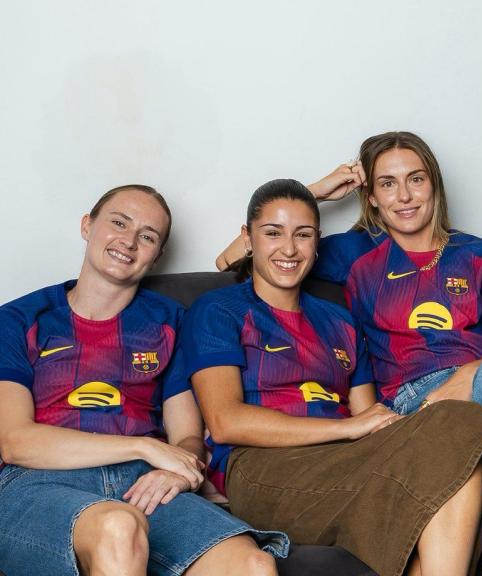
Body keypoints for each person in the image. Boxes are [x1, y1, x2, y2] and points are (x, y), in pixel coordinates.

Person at [216, 132, 482, 576]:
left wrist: (464, 379)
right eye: (387, 184)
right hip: (408, 404)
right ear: (370, 195)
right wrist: (317, 192)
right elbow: (236, 256)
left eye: (416, 180)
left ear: (435, 185)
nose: (404, 196)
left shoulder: (481, 255)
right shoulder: (354, 252)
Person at [185, 179, 482, 576]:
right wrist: (349, 429)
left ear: (317, 243)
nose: (288, 249)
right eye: (273, 233)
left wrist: (392, 429)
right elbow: (226, 421)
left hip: (345, 459)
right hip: (262, 466)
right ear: (248, 238)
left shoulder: (339, 320)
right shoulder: (219, 310)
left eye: (302, 235)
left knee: (461, 423)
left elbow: (368, 418)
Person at [0, 185, 287, 576]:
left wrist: (176, 468)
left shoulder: (170, 321)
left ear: (157, 255)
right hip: (39, 483)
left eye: (148, 236)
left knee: (253, 564)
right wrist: (144, 447)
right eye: (119, 223)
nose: (129, 241)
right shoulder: (19, 319)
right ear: (88, 225)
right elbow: (16, 442)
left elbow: (186, 435)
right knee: (118, 528)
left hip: (142, 483)